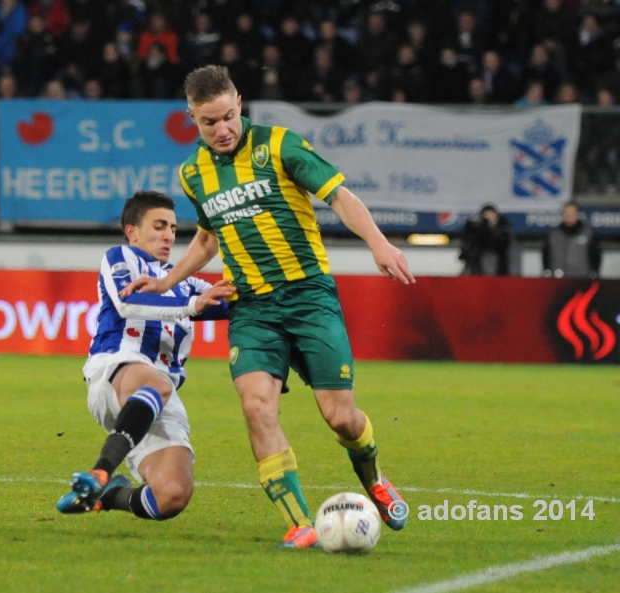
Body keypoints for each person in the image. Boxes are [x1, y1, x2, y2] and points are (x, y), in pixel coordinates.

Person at [122, 66, 415, 548]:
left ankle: (375, 478)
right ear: (191, 118)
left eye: (229, 117)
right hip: (252, 306)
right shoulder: (193, 172)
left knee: (341, 418)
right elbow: (208, 236)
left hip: (308, 297)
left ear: (241, 103)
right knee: (257, 405)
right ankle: (300, 524)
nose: (222, 130)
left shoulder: (279, 145)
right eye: (209, 122)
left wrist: (379, 245)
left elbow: (339, 197)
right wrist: (167, 280)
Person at [57, 191, 234, 520]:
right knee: (156, 382)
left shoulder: (184, 282)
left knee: (172, 496)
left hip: (158, 397)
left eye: (173, 227)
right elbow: (129, 303)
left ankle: (106, 496)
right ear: (132, 231)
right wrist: (193, 306)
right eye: (159, 225)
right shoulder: (120, 258)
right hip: (115, 370)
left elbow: (231, 303)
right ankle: (100, 472)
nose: (169, 234)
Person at [543, 202, 601, 279]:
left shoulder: (588, 233)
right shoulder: (554, 234)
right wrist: (547, 270)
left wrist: (594, 271)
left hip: (581, 278)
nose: (569, 215)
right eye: (566, 213)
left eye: (572, 212)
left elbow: (595, 254)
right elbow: (546, 254)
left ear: (577, 214)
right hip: (557, 278)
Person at [459, 204, 514, 275]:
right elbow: (475, 244)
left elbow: (499, 246)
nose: (488, 217)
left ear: (496, 215)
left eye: (490, 214)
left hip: (501, 268)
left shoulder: (504, 229)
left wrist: (487, 230)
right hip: (482, 268)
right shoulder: (480, 230)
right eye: (485, 215)